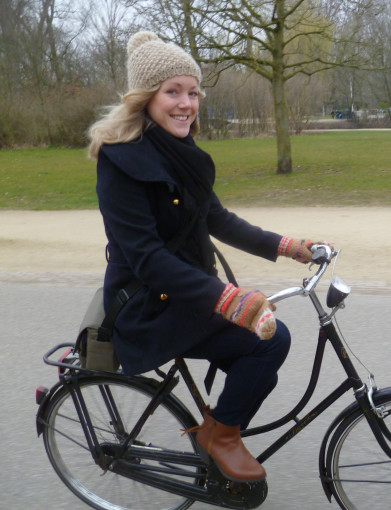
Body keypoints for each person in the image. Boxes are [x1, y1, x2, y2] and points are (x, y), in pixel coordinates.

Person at [88, 31, 326, 483]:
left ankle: (218, 437)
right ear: (145, 99)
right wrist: (233, 301)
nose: (186, 103)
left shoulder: (180, 152)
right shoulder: (119, 163)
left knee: (260, 361)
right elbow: (148, 259)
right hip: (147, 305)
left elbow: (217, 218)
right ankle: (218, 439)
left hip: (184, 294)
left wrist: (287, 246)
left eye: (193, 92)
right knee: (269, 342)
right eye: (172, 92)